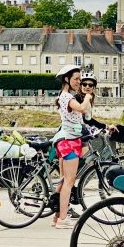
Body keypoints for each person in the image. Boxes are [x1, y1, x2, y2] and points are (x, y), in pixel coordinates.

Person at [51, 66, 91, 229]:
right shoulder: (67, 96)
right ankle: (62, 218)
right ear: (66, 79)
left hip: (69, 140)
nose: (79, 82)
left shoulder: (65, 96)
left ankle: (56, 216)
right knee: (69, 181)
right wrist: (88, 96)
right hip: (69, 141)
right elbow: (81, 108)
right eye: (76, 79)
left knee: (63, 181)